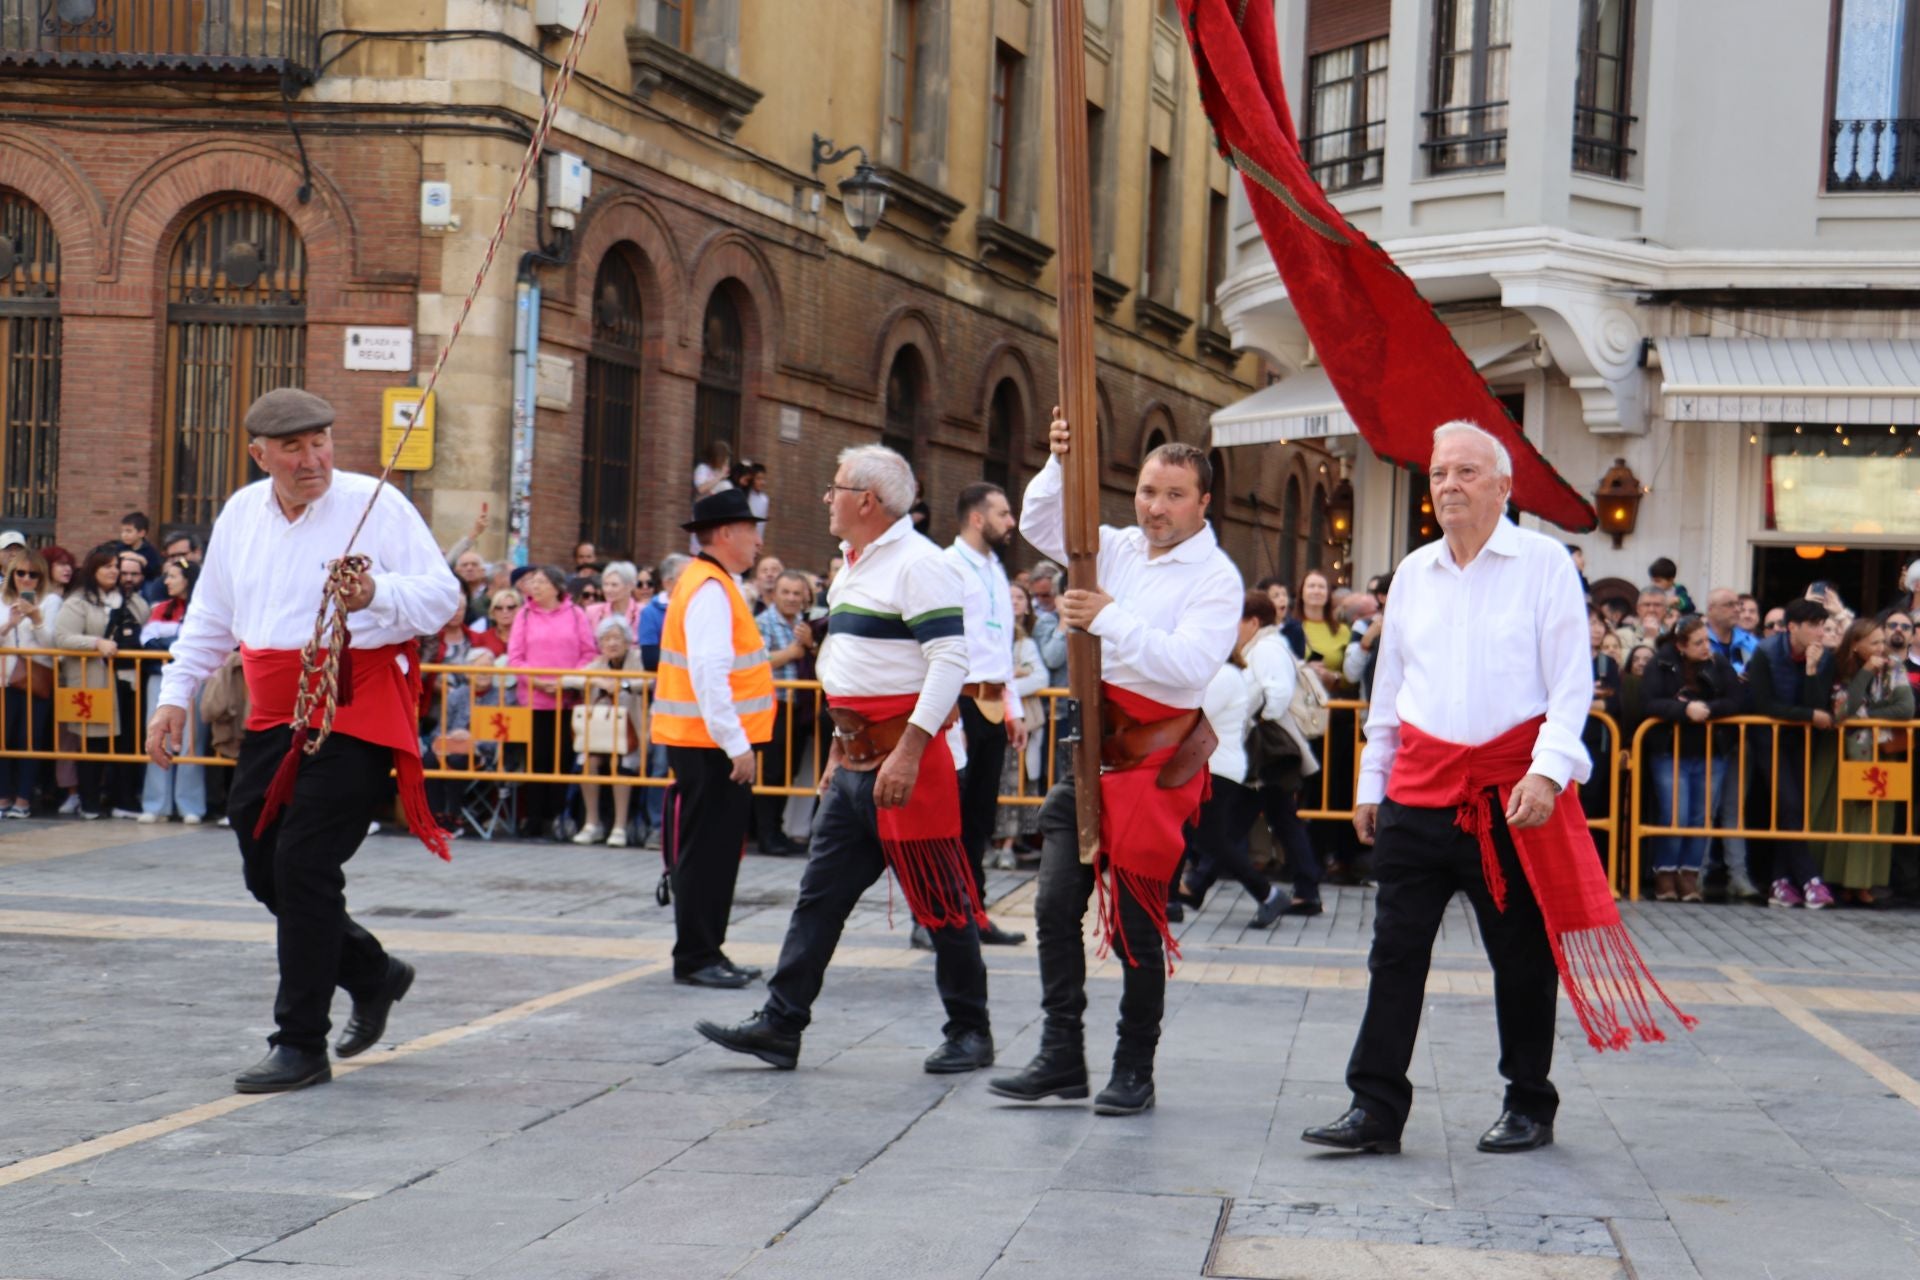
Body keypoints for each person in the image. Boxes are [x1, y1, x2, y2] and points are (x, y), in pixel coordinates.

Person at [1302, 420, 1690, 1160]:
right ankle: (1374, 1105)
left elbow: (1571, 684)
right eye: (1440, 472)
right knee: (1394, 952)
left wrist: (1547, 772)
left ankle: (1528, 1101)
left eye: (1467, 473)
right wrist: (1369, 782)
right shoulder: (1413, 572)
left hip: (1512, 794)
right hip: (1418, 792)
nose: (1449, 484)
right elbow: (1391, 688)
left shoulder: (1543, 563)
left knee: (1520, 955)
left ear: (1504, 488)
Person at [147, 387, 461, 1094]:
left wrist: (374, 594)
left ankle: (299, 1042)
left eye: (321, 441)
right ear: (261, 455)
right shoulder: (238, 514)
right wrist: (174, 697)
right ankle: (372, 973)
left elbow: (443, 598)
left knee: (303, 860)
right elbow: (210, 617)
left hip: (356, 701)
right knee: (264, 863)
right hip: (272, 710)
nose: (313, 458)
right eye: (293, 447)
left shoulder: (374, 503)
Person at [696, 445, 992, 1076]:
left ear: (867, 501)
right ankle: (781, 1023)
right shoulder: (857, 563)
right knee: (818, 898)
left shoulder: (919, 565)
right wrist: (837, 746)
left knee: (941, 903)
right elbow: (847, 667)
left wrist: (909, 752)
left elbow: (950, 663)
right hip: (857, 763)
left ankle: (971, 1030)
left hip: (907, 767)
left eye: (835, 488)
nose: (826, 498)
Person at [988, 410, 1241, 1117]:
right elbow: (1043, 524)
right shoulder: (1120, 548)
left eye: (1173, 495)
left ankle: (1135, 1068)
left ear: (1202, 502)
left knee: (1136, 923)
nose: (1156, 508)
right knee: (1053, 904)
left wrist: (1107, 618)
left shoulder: (1216, 578)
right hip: (1091, 756)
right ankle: (1061, 1053)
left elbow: (1188, 664)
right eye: (1148, 491)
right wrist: (1061, 462)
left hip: (1154, 765)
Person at [655, 487, 775, 988]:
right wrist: (736, 745)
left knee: (717, 851)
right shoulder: (709, 587)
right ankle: (698, 956)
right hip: (710, 744)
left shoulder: (710, 582)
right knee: (708, 853)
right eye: (751, 531)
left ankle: (708, 950)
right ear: (726, 533)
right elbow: (709, 674)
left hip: (707, 741)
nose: (757, 542)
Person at [943, 482, 1030, 948]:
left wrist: (1013, 709)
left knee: (979, 819)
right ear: (977, 519)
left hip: (993, 705)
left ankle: (974, 913)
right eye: (1002, 513)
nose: (1010, 522)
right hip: (957, 704)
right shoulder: (947, 567)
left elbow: (1000, 648)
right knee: (947, 818)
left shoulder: (996, 570)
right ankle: (934, 916)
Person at [1177, 591, 1291, 928]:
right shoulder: (1221, 675)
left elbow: (1192, 715)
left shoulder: (1225, 676)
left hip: (1219, 768)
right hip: (1212, 765)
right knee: (1193, 833)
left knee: (1210, 839)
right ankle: (1171, 898)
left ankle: (1268, 894)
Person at [1742, 597, 1837, 909]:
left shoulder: (1823, 657)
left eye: (1822, 626)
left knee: (1792, 810)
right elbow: (1765, 704)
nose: (1820, 632)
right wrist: (1808, 716)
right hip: (1768, 739)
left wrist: (1811, 670)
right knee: (1789, 804)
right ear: (1792, 627)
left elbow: (1818, 702)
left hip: (1802, 741)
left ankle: (1781, 881)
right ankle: (1810, 879)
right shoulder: (1766, 652)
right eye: (1813, 626)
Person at [1641, 618, 1744, 903]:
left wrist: (1707, 709)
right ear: (1681, 645)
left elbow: (1737, 700)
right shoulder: (1660, 664)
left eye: (1707, 640)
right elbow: (1648, 702)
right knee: (1675, 814)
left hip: (1712, 751)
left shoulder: (1719, 663)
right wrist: (1683, 711)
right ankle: (1665, 874)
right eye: (1698, 642)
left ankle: (1689, 876)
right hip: (1670, 752)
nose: (1706, 647)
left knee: (1701, 818)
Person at [1814, 617, 1914, 904]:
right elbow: (1844, 709)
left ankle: (1866, 883)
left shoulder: (1894, 666)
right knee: (1845, 816)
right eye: (1874, 643)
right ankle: (1841, 881)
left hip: (1882, 754)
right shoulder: (1838, 668)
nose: (1882, 648)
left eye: (1882, 641)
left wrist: (1866, 714)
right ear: (1855, 645)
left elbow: (1905, 708)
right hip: (1845, 754)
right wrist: (1866, 673)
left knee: (1874, 818)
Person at [1239, 589, 1322, 916]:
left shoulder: (1266, 649)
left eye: (1238, 620)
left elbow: (1277, 694)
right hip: (1273, 747)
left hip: (1270, 748)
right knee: (1281, 817)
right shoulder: (1265, 646)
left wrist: (1259, 721)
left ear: (1253, 621)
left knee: (1235, 819)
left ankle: (1196, 884)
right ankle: (1307, 889)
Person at [55, 547, 149, 819]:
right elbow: (62, 637)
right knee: (92, 742)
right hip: (92, 681)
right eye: (105, 566)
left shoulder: (133, 601)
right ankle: (90, 801)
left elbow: (148, 627)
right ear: (93, 570)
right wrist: (96, 643)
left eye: (115, 566)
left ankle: (124, 801)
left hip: (127, 681)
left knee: (127, 741)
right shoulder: (79, 601)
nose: (112, 571)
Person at [506, 565, 597, 839]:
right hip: (533, 699)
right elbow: (515, 657)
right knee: (537, 759)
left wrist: (566, 681)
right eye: (533, 582)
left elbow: (588, 654)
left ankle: (555, 818)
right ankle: (533, 818)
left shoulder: (575, 614)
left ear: (557, 587)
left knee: (563, 758)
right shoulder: (523, 615)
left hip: (567, 699)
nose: (535, 586)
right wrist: (537, 681)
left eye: (542, 582)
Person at [567, 616, 650, 849]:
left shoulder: (638, 659)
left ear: (627, 640)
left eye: (616, 638)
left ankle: (619, 826)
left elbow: (651, 682)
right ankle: (592, 824)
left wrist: (623, 684)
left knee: (621, 762)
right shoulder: (598, 663)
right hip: (600, 732)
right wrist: (597, 680)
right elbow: (568, 678)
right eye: (606, 639)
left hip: (633, 731)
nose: (612, 643)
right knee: (588, 761)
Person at [752, 568, 816, 856]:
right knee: (771, 771)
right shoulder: (762, 622)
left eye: (797, 594)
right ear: (774, 594)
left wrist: (810, 645)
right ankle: (765, 834)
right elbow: (756, 662)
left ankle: (778, 830)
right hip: (772, 705)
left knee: (789, 771)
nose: (791, 598)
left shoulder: (806, 623)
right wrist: (792, 652)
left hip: (799, 706)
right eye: (786, 592)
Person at [139, 558, 207, 825]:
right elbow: (147, 641)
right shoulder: (160, 609)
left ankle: (190, 805)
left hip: (195, 680)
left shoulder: (202, 609)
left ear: (188, 579)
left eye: (173, 576)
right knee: (156, 737)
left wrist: (169, 646)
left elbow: (198, 643)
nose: (166, 581)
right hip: (159, 678)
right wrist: (175, 646)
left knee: (191, 741)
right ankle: (156, 805)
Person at [992, 581, 1048, 862]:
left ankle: (1008, 846)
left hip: (1016, 720)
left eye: (1018, 597)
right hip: (990, 718)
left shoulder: (1025, 642)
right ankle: (995, 842)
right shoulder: (988, 638)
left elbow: (1041, 678)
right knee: (995, 783)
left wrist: (1004, 687)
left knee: (1015, 783)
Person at [0, 547, 55, 817]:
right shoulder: (1, 598)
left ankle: (23, 799)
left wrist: (36, 619)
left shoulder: (50, 601)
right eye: (20, 573)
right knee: (3, 739)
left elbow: (52, 647)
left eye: (33, 574)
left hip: (36, 678)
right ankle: (2, 797)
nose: (26, 579)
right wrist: (9, 624)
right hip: (4, 679)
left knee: (28, 740)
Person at [586, 560, 647, 639]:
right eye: (605, 584)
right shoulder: (592, 612)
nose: (608, 589)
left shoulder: (644, 612)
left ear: (630, 586)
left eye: (614, 585)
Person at [115, 511, 163, 582]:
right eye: (122, 531)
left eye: (128, 531)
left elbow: (155, 573)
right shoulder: (119, 548)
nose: (124, 535)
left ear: (141, 533)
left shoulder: (150, 551)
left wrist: (142, 561)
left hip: (144, 582)